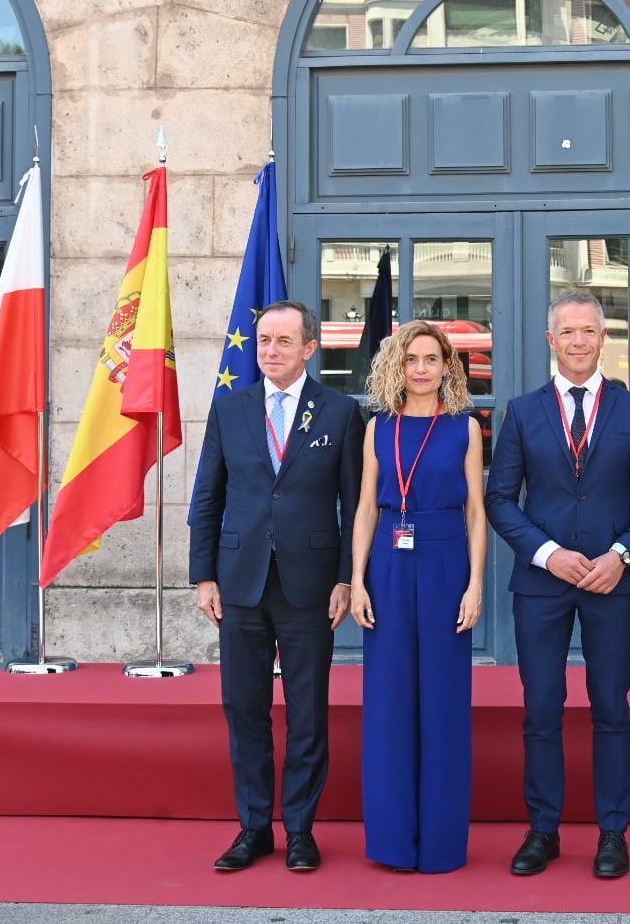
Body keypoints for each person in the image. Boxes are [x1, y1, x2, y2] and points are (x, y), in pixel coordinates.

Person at [486, 290, 630, 879]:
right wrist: (546, 553)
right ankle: (544, 829)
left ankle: (613, 832)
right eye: (567, 332)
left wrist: (621, 555)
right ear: (550, 340)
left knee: (611, 709)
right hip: (542, 583)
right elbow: (499, 498)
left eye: (589, 331)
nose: (578, 341)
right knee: (542, 709)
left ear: (602, 338)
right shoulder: (520, 411)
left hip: (612, 583)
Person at [190, 300, 364, 873]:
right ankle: (254, 827)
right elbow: (208, 497)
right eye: (264, 341)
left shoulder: (339, 412)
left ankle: (301, 830)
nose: (270, 351)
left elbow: (354, 504)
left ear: (310, 348)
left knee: (308, 712)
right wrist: (203, 574)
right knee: (244, 708)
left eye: (284, 342)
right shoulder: (229, 408)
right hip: (239, 581)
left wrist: (346, 577)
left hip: (309, 586)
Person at [349, 321, 486, 873]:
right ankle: (392, 841)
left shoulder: (466, 428)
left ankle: (442, 844)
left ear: (448, 366)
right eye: (412, 359)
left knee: (444, 703)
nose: (422, 369)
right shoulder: (378, 427)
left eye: (432, 359)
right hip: (388, 561)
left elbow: (477, 510)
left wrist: (476, 583)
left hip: (448, 558)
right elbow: (363, 508)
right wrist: (357, 580)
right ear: (396, 367)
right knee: (388, 703)